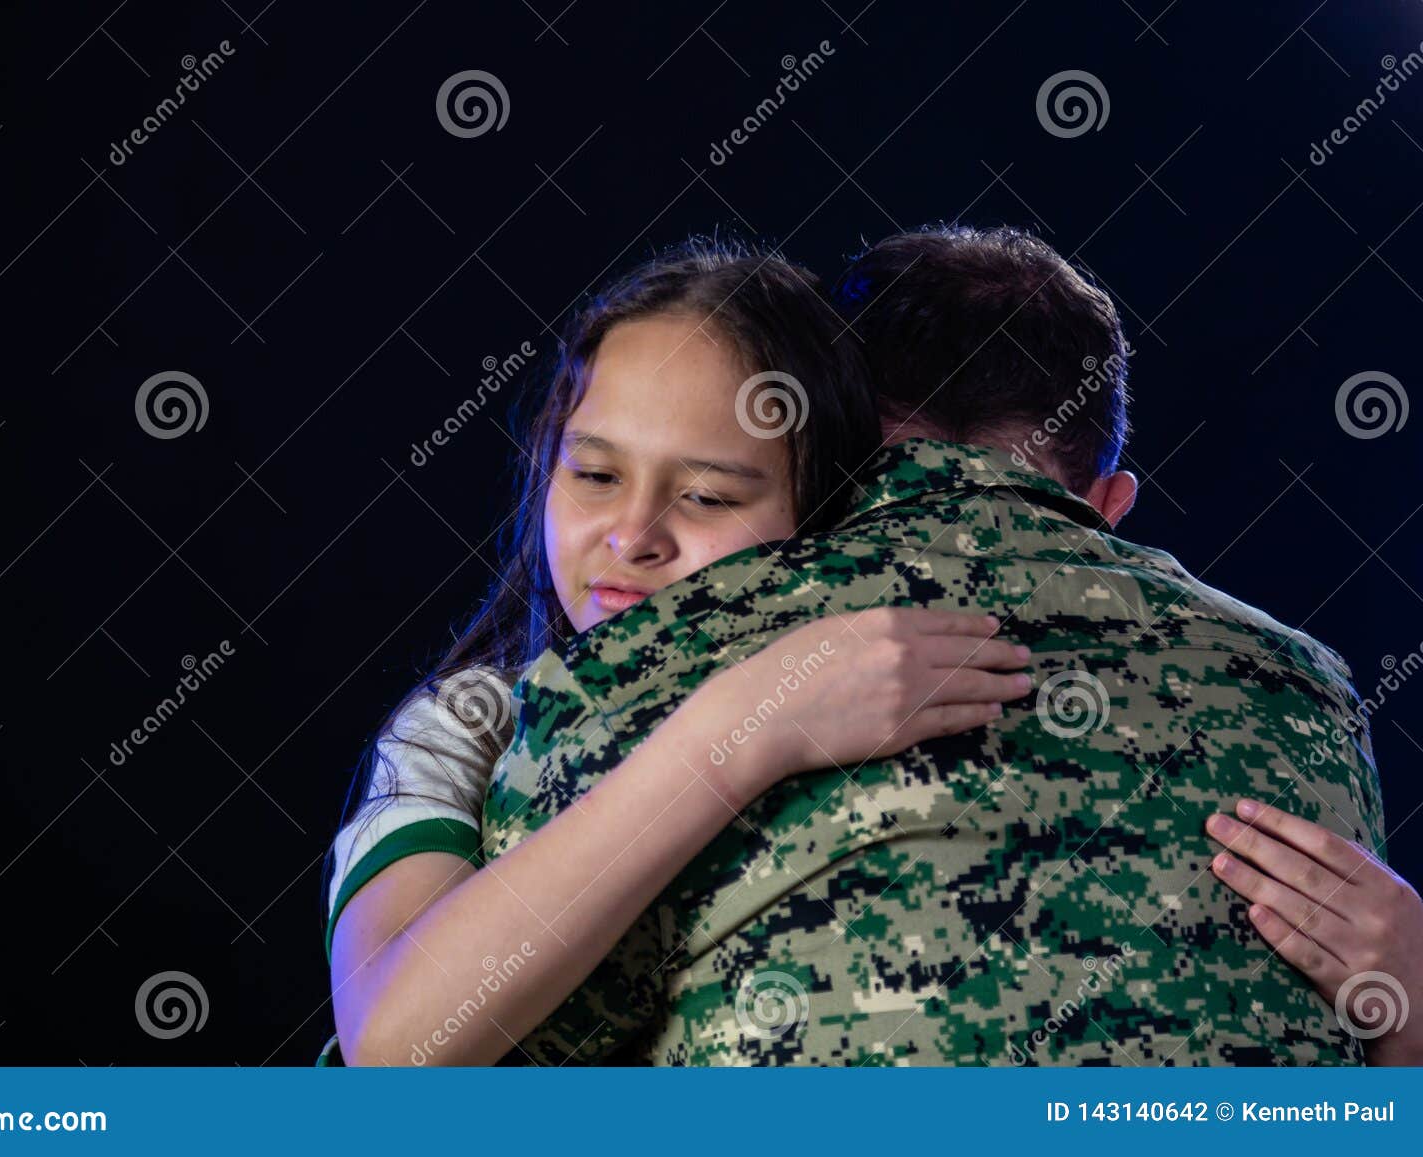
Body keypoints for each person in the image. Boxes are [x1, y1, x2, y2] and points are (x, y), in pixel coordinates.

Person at [476, 225, 1395, 1065]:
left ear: (818, 461)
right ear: (1110, 506)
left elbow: (482, 1057)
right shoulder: (1305, 687)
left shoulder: (660, 649)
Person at [320, 240, 1033, 1065]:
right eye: (593, 474)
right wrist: (737, 733)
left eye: (706, 496)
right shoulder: (467, 727)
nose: (634, 535)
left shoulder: (903, 675)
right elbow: (395, 1043)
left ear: (825, 508)